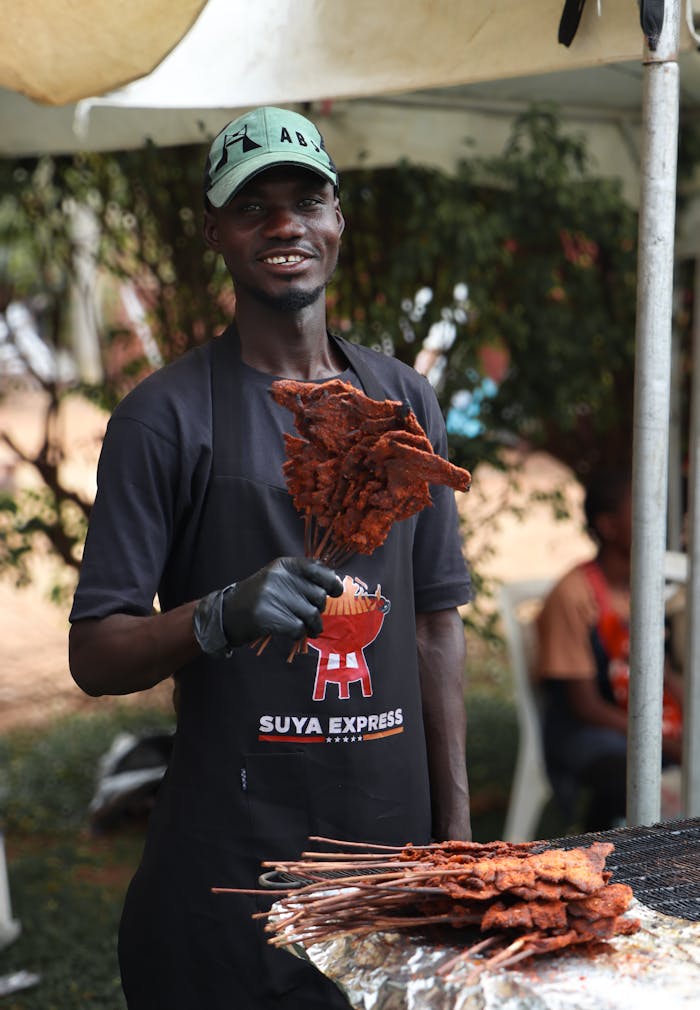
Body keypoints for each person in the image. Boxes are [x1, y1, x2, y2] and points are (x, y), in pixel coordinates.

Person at [68, 106, 473, 1010]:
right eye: (255, 207)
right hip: (232, 863)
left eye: (307, 200)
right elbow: (94, 653)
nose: (286, 224)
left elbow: (436, 620)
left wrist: (455, 830)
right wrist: (216, 615)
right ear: (215, 232)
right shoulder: (163, 419)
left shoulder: (403, 403)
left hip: (387, 843)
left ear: (338, 218)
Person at [535, 467, 683, 832]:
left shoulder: (648, 591)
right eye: (641, 509)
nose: (655, 518)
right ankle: (598, 852)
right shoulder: (573, 594)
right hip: (586, 729)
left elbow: (666, 677)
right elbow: (584, 705)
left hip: (645, 720)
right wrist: (661, 741)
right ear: (608, 525)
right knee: (623, 776)